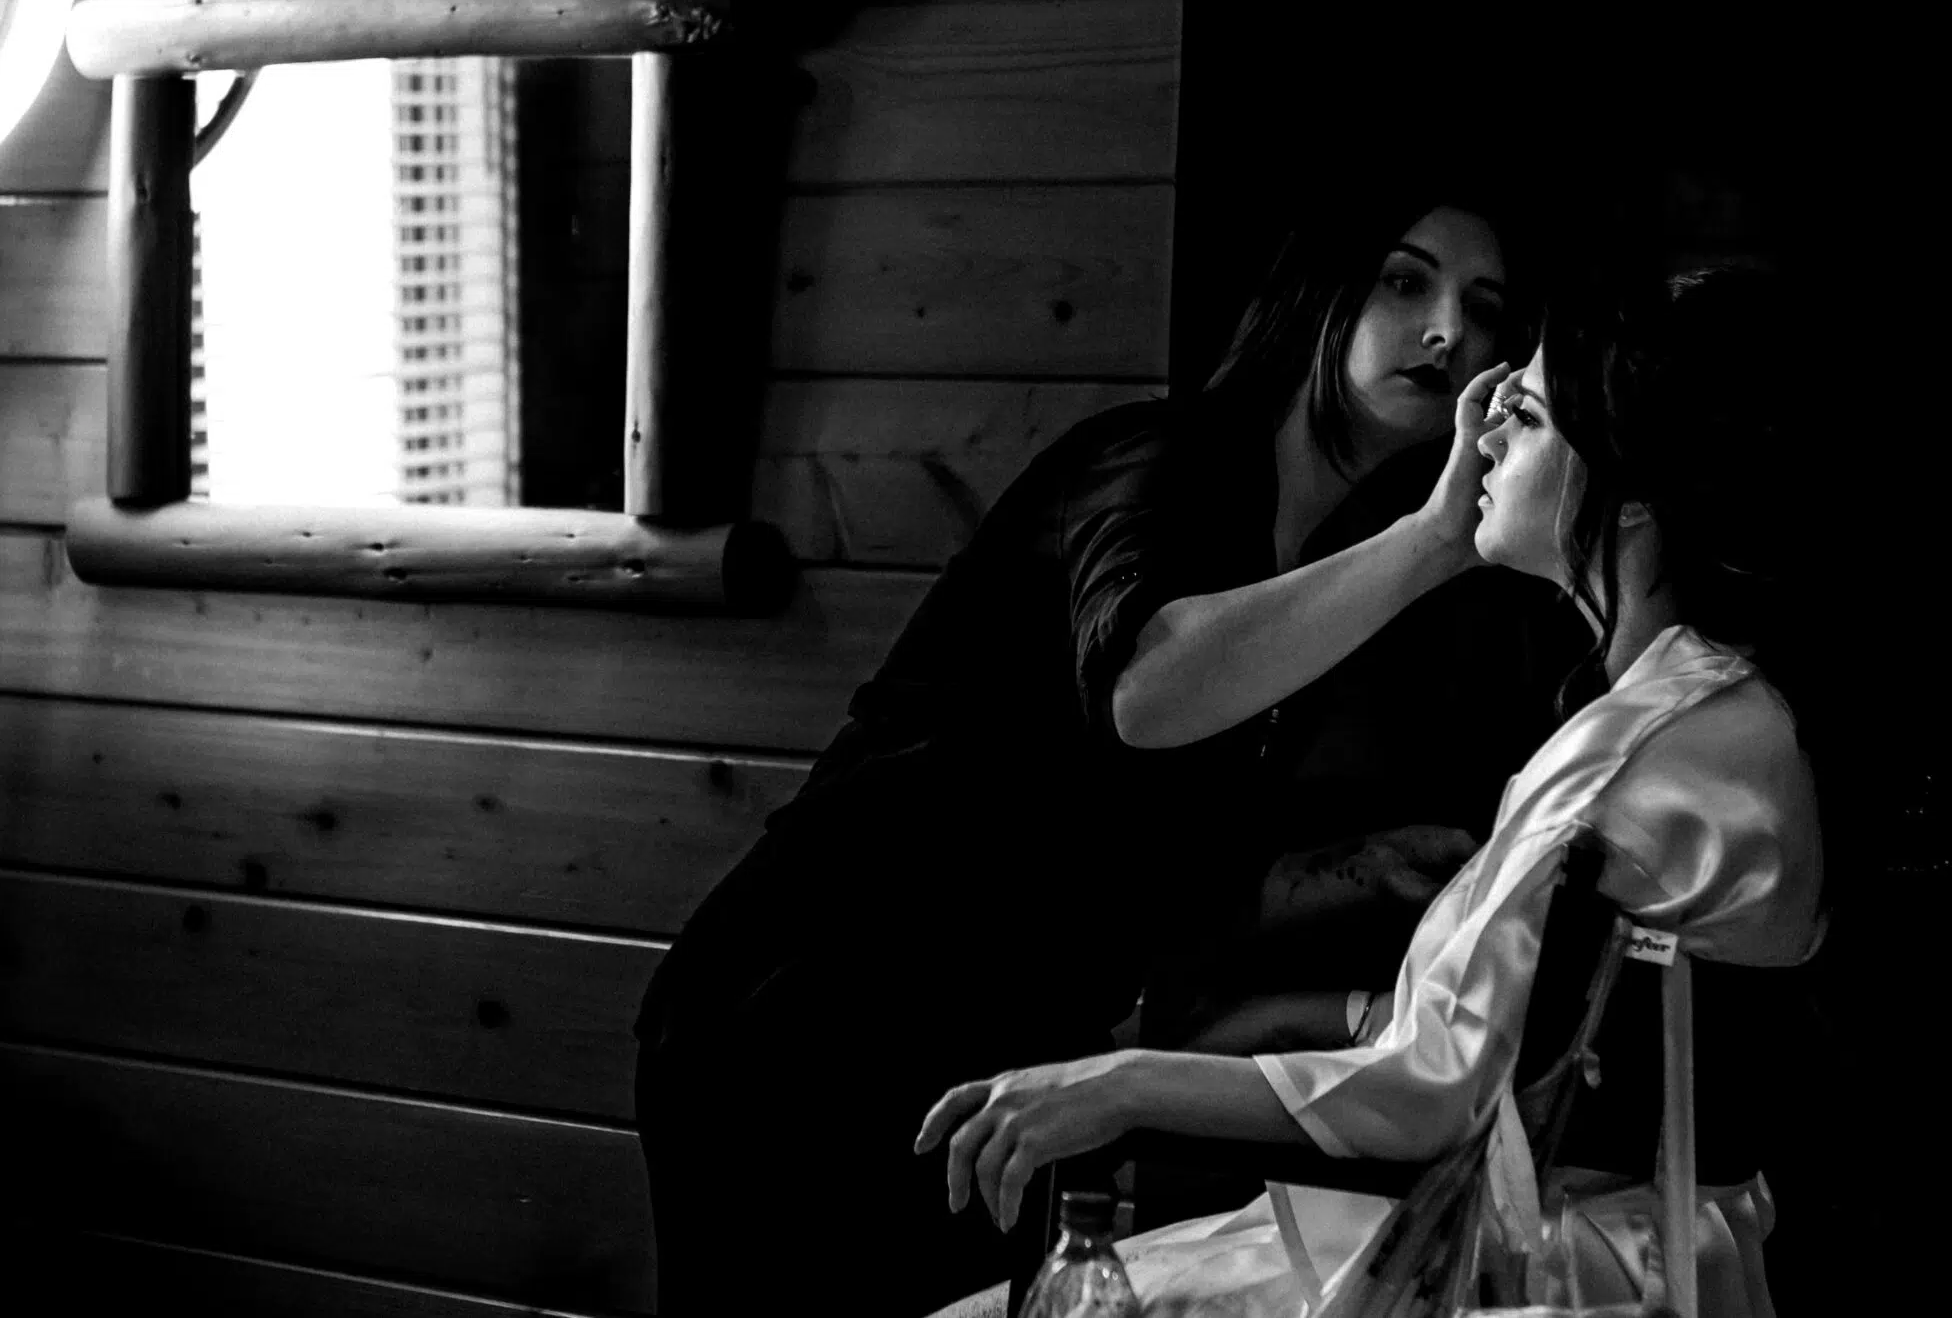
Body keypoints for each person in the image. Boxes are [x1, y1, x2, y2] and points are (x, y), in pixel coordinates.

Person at [633, 188, 1580, 1317]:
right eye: (1403, 280)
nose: (1447, 334)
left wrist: (1353, 880)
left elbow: (1152, 869)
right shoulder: (1160, 456)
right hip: (809, 1010)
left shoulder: (1326, 575)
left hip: (987, 1057)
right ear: (1314, 290)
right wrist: (1434, 540)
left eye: (1482, 308)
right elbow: (1145, 691)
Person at [912, 264, 1825, 1318]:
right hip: (1666, 1237)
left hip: (1558, 1260)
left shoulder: (1633, 749)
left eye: (1518, 414)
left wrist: (1111, 1085)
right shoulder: (1722, 709)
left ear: (1626, 496)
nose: (1475, 434)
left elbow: (1432, 1084)